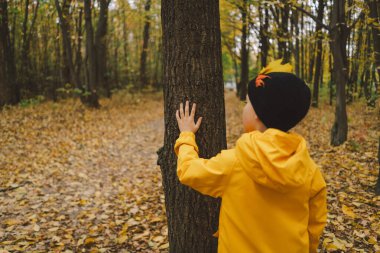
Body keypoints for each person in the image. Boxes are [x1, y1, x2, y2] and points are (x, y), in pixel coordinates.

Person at [174, 60, 327, 253]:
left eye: (247, 103)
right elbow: (315, 225)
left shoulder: (236, 161)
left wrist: (186, 135)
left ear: (257, 114)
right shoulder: (310, 171)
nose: (244, 107)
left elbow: (188, 171)